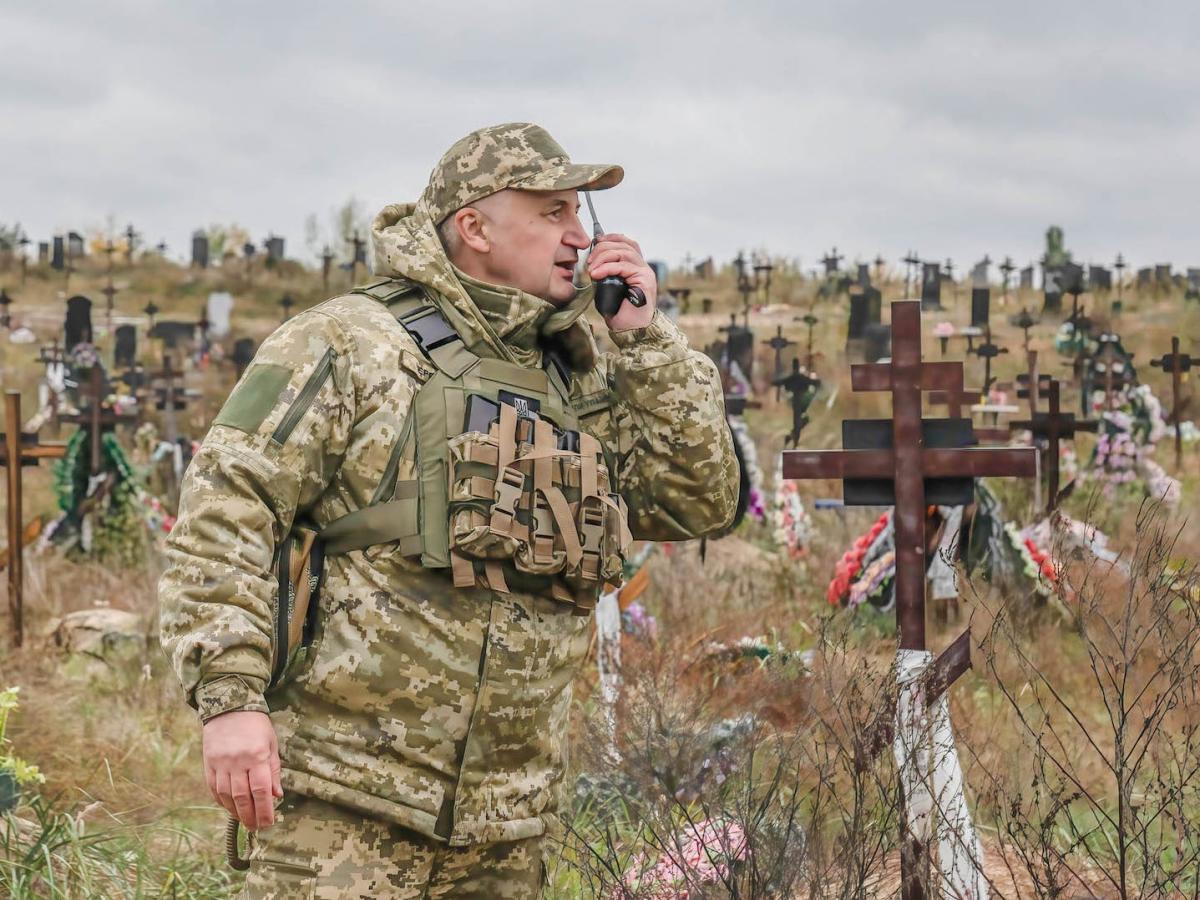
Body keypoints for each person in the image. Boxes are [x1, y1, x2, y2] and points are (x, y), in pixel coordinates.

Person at [159, 122, 738, 898]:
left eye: (580, 214)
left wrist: (646, 344)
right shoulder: (349, 343)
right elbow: (226, 508)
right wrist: (229, 700)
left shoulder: (584, 371)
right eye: (554, 212)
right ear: (474, 227)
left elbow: (696, 502)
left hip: (508, 827)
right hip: (343, 803)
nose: (582, 236)